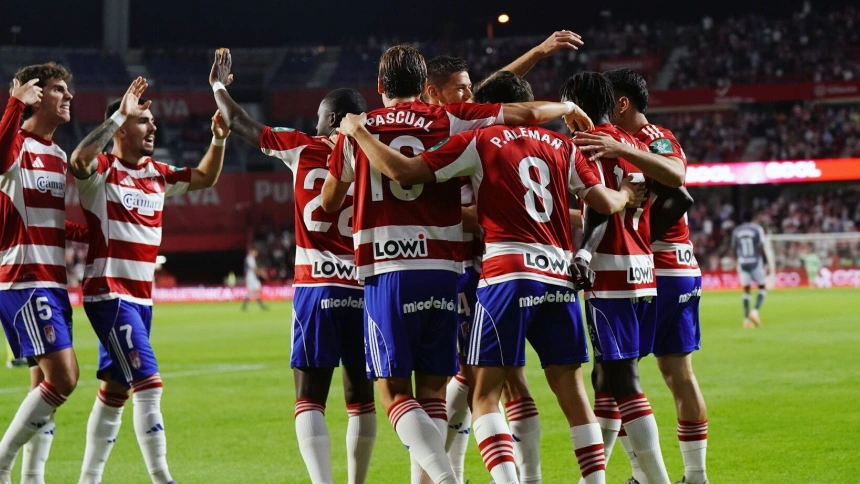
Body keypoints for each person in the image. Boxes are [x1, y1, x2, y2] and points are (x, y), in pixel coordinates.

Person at [338, 71, 647, 484]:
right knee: (572, 393)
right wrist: (627, 194)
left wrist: (359, 132)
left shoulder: (477, 140)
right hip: (558, 276)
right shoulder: (563, 146)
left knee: (483, 394)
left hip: (504, 275)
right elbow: (605, 204)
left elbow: (408, 173)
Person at [209, 48, 377, 484]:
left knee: (309, 400)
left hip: (316, 288)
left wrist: (218, 88)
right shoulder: (378, 157)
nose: (315, 123)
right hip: (366, 289)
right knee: (362, 398)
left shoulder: (302, 146)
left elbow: (242, 124)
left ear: (336, 117)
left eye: (322, 117)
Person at [69, 77, 229, 484]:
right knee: (149, 382)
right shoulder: (102, 173)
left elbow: (206, 177)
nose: (154, 127)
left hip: (141, 300)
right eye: (144, 121)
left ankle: (87, 479)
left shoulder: (159, 174)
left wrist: (219, 140)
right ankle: (162, 478)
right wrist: (121, 112)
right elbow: (78, 161)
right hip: (109, 293)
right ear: (121, 129)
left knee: (116, 393)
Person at [580, 68, 707, 484]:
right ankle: (691, 475)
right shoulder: (628, 144)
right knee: (663, 374)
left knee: (615, 374)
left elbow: (679, 183)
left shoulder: (651, 138)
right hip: (674, 267)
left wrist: (636, 234)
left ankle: (631, 476)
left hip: (659, 267)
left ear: (621, 104)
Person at [561, 72, 672, 484]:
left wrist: (585, 251)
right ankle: (596, 477)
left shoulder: (587, 145)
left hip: (610, 273)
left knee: (625, 381)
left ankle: (657, 480)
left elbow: (598, 210)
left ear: (575, 111)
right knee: (606, 376)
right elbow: (675, 195)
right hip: (644, 270)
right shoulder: (637, 145)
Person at [0, 62, 81, 484]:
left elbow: (49, 221)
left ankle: (34, 478)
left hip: (53, 281)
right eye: (59, 90)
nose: (68, 97)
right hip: (25, 278)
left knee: (42, 387)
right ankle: (1, 460)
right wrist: (13, 103)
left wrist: (89, 231)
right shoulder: (16, 143)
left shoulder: (59, 155)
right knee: (66, 378)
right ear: (36, 94)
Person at [731, 212, 768, 328]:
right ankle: (755, 311)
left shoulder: (737, 231)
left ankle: (746, 320)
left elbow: (734, 248)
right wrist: (766, 262)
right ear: (753, 218)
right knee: (762, 287)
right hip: (755, 261)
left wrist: (737, 261)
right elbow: (761, 246)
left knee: (746, 290)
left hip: (742, 262)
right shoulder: (757, 229)